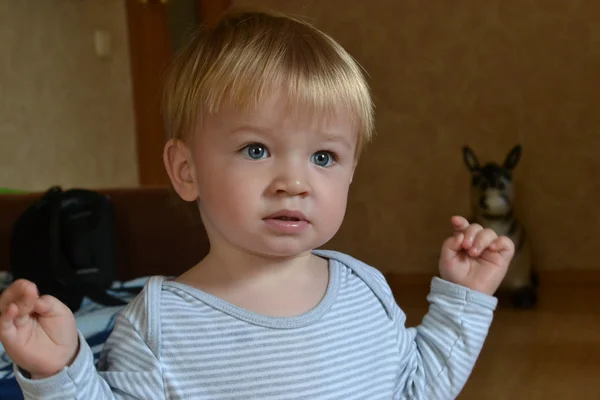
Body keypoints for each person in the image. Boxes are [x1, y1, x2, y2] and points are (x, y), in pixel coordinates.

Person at [0, 9, 513, 400]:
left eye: (324, 156)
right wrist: (59, 369)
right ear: (186, 171)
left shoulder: (365, 292)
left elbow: (419, 388)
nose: (294, 181)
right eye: (256, 150)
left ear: (353, 169)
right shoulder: (158, 325)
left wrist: (462, 298)